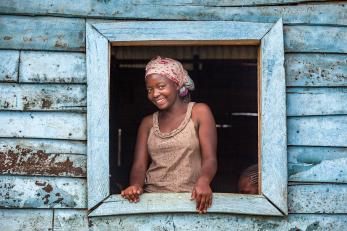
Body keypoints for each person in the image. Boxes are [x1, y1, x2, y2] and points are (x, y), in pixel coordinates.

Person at [121, 56, 217, 214]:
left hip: (191, 199)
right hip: (151, 202)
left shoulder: (199, 112)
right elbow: (139, 165)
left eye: (161, 86)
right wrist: (136, 185)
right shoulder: (148, 123)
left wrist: (204, 181)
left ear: (177, 84)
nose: (155, 94)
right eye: (149, 89)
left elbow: (210, 159)